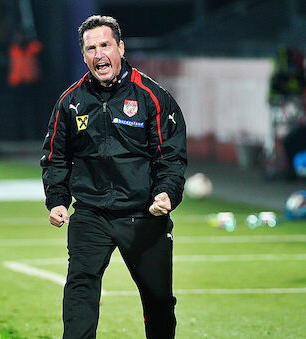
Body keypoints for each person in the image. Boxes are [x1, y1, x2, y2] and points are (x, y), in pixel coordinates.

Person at [40, 15, 187, 339]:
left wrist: (166, 194)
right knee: (80, 286)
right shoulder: (70, 102)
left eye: (105, 45)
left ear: (120, 47)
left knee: (159, 299)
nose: (98, 54)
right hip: (91, 213)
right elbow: (55, 157)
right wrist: (58, 200)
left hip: (143, 213)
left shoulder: (152, 96)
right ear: (83, 56)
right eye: (90, 48)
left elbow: (171, 156)